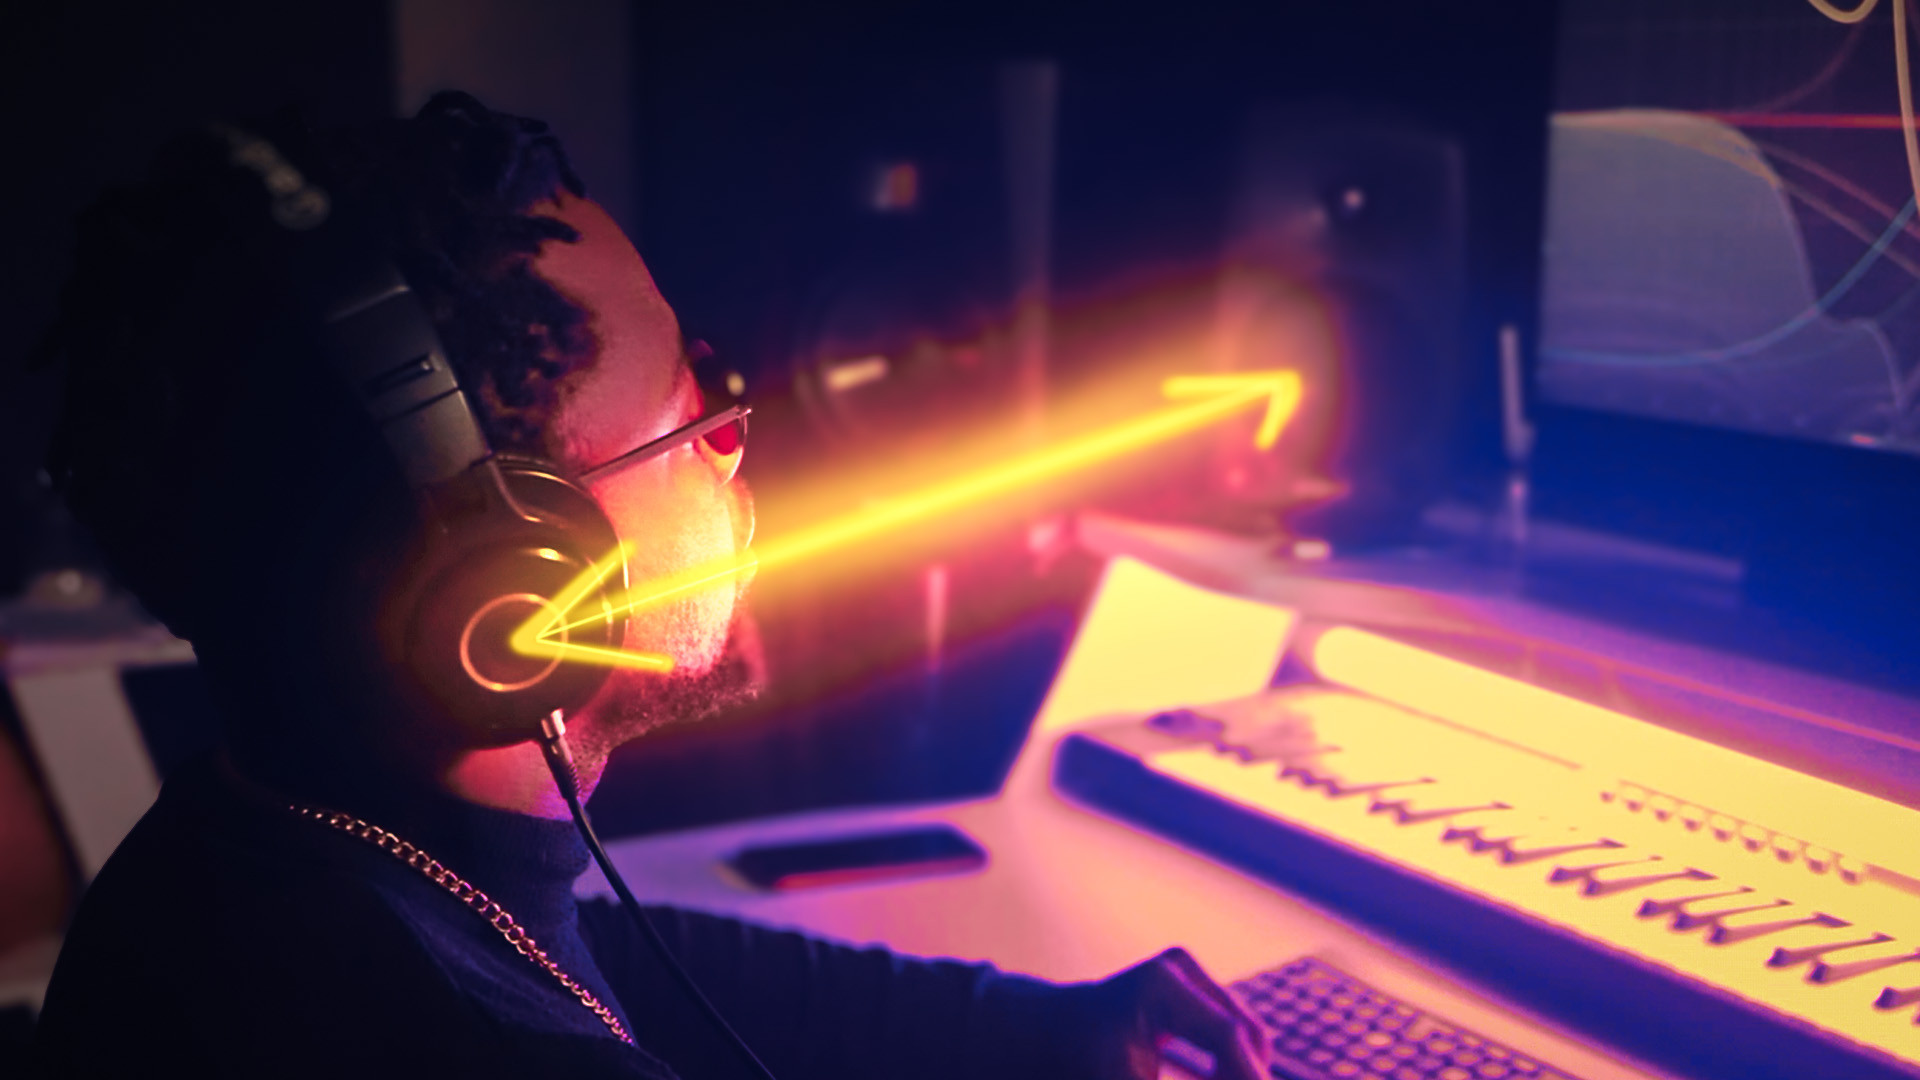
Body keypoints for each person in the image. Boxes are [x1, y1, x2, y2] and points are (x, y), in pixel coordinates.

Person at [28, 93, 1273, 1079]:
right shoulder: (475, 1044)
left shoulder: (258, 857)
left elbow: (599, 947)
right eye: (690, 415)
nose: (734, 441)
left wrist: (1025, 1028)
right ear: (509, 585)